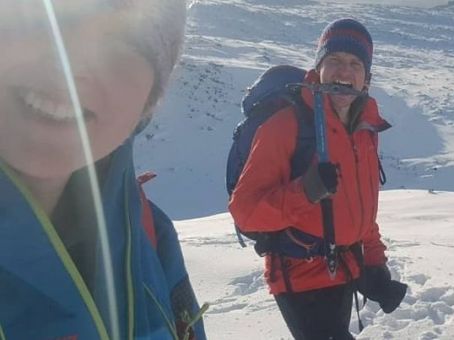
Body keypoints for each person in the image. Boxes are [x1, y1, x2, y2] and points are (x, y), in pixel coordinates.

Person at [0, 1, 207, 339]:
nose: (68, 66)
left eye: (122, 42)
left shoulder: (150, 236)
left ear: (147, 103)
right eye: (40, 19)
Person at [228, 18, 407, 339]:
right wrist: (305, 191)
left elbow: (362, 206)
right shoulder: (286, 125)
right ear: (318, 69)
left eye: (355, 63)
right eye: (334, 61)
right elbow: (245, 211)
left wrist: (374, 263)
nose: (344, 71)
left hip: (343, 266)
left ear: (366, 77)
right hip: (300, 275)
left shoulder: (364, 127)